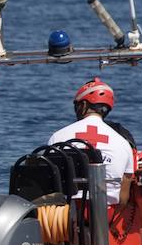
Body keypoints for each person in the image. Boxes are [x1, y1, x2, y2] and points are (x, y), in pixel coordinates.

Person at [47, 77, 134, 211]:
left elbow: (51, 183)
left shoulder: (58, 137)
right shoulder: (123, 144)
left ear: (84, 105)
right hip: (107, 215)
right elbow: (123, 198)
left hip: (65, 215)